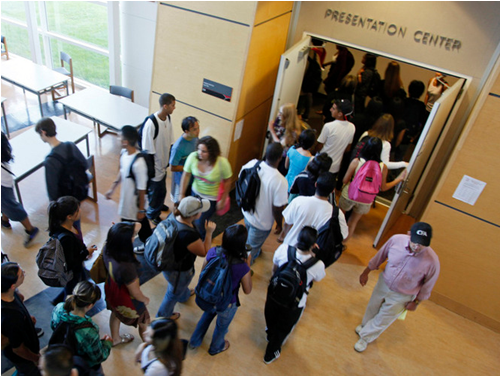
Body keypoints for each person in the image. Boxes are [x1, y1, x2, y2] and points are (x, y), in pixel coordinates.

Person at [355, 222, 440, 352]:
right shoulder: (396, 240)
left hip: (403, 295)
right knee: (373, 306)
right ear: (409, 234)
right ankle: (365, 326)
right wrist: (366, 272)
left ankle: (365, 338)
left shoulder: (432, 261)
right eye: (415, 242)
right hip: (384, 283)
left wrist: (416, 302)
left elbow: (428, 286)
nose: (417, 246)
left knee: (384, 317)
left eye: (422, 244)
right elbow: (380, 257)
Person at [263, 226, 325, 364]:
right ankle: (270, 353)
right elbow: (317, 279)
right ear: (314, 245)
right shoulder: (317, 264)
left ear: (298, 239)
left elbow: (274, 269)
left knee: (271, 316)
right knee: (284, 327)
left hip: (274, 293)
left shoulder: (284, 249)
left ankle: (269, 334)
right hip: (295, 302)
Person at [189, 224, 252, 356]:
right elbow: (248, 290)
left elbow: (203, 273)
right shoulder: (242, 266)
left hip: (209, 295)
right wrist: (248, 264)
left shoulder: (212, 252)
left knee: (207, 315)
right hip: (227, 302)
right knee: (221, 327)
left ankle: (194, 341)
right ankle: (216, 347)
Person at [157, 196, 216, 320]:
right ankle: (163, 317)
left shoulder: (173, 217)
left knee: (178, 287)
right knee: (172, 294)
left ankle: (183, 295)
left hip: (168, 264)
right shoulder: (188, 235)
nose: (202, 212)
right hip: (179, 271)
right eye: (200, 210)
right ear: (193, 215)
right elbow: (204, 252)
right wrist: (209, 232)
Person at [339, 137, 407, 241]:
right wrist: (399, 179)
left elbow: (344, 180)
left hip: (350, 194)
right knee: (352, 223)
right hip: (366, 199)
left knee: (340, 218)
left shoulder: (357, 161)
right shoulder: (382, 167)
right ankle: (343, 244)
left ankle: (334, 241)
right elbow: (383, 187)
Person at [35, 117, 88, 231]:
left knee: (67, 230)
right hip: (77, 194)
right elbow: (85, 164)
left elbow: (52, 192)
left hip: (64, 204)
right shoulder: (70, 145)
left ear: (43, 132)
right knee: (77, 227)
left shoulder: (50, 161)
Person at [105, 125, 152, 254]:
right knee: (141, 227)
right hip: (127, 202)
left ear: (125, 142)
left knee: (132, 228)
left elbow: (142, 189)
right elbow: (122, 171)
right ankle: (149, 244)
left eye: (119, 136)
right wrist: (112, 188)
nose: (118, 138)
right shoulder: (124, 154)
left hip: (134, 205)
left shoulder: (139, 163)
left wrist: (141, 209)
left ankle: (139, 249)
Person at [102, 222, 151, 346]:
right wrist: (144, 299)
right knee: (144, 322)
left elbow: (138, 225)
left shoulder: (108, 247)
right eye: (133, 236)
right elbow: (135, 292)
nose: (135, 237)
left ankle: (116, 339)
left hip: (112, 289)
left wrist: (117, 229)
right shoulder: (127, 267)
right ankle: (149, 348)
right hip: (127, 299)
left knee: (115, 312)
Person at [240, 143, 288, 265]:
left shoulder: (252, 164)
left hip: (246, 212)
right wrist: (279, 224)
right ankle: (244, 269)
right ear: (280, 158)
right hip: (261, 223)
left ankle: (254, 249)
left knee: (249, 237)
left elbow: (241, 178)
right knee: (250, 251)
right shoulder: (280, 181)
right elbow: (278, 208)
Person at [50, 281, 112, 375]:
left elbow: (53, 326)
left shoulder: (59, 308)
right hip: (82, 365)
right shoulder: (88, 330)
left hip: (62, 357)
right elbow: (98, 357)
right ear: (90, 305)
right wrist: (107, 343)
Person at [179, 136, 232, 239]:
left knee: (200, 221)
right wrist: (181, 194)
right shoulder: (193, 157)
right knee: (191, 217)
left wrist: (222, 199)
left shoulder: (222, 163)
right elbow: (186, 175)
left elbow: (227, 181)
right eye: (199, 149)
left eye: (204, 151)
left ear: (212, 152)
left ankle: (203, 238)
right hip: (195, 193)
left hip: (210, 198)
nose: (200, 153)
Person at [48, 196, 97, 306]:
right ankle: (67, 308)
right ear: (69, 216)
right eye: (77, 210)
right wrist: (86, 253)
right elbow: (71, 263)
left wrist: (84, 249)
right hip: (70, 271)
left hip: (75, 268)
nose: (80, 210)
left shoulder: (70, 225)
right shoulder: (66, 238)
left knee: (79, 281)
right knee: (71, 289)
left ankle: (57, 300)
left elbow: (78, 241)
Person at [278, 172, 348, 246]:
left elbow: (287, 223)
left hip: (290, 246)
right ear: (332, 191)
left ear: (316, 184)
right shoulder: (337, 213)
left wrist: (285, 235)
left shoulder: (298, 201)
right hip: (314, 252)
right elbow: (344, 236)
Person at [1, 262, 41, 376]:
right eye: (21, 274)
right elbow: (18, 349)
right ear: (12, 286)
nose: (24, 273)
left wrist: (26, 319)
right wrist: (36, 358)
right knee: (31, 372)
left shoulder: (9, 295)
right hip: (23, 357)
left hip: (22, 338)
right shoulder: (12, 317)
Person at [142, 93, 176, 225]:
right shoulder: (151, 124)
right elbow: (147, 151)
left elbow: (170, 140)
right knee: (156, 192)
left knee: (161, 190)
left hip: (163, 163)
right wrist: (152, 171)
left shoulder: (167, 118)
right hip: (155, 167)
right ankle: (152, 213)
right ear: (165, 106)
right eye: (173, 105)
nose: (174, 108)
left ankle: (158, 205)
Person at [1, 132, 39, 247]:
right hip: (6, 180)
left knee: (10, 205)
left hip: (2, 184)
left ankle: (31, 229)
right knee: (6, 203)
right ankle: (5, 220)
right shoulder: (4, 149)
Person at [314, 99, 356, 182]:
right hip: (335, 166)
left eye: (333, 108)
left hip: (321, 163)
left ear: (340, 114)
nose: (330, 109)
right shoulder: (352, 127)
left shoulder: (329, 126)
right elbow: (348, 148)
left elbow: (319, 145)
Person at [169, 116, 200, 203]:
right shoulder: (178, 148)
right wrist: (189, 167)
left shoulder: (195, 137)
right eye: (194, 129)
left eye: (198, 128)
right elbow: (172, 167)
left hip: (193, 179)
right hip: (181, 180)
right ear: (186, 131)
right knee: (179, 203)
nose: (198, 131)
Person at [267, 103, 303, 176]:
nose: (278, 115)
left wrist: (272, 130)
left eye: (281, 113)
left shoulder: (293, 130)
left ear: (287, 116)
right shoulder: (284, 123)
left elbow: (280, 144)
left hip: (282, 159)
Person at [284, 129, 316, 193]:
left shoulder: (292, 149)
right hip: (297, 188)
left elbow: (286, 166)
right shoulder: (311, 159)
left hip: (285, 183)